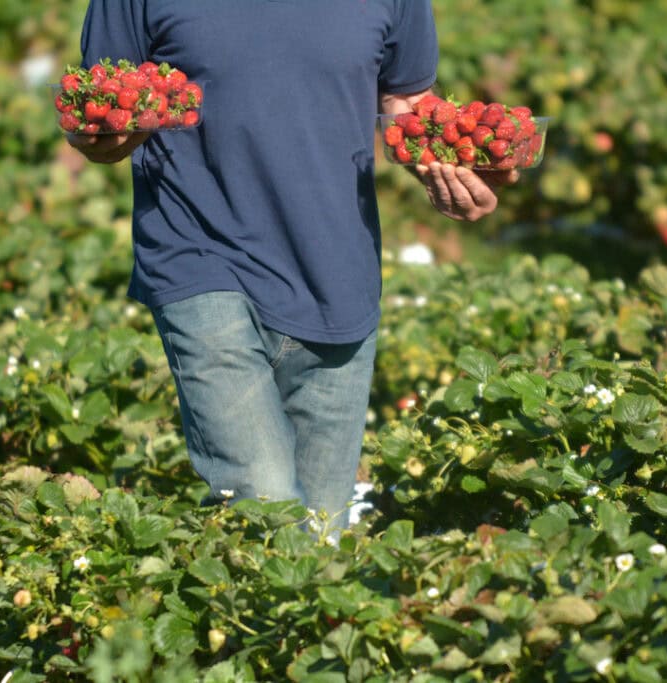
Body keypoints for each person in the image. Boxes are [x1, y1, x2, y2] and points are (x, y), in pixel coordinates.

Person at [66, 1, 518, 535]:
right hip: (200, 257)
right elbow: (100, 101)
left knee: (320, 537)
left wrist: (447, 161)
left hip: (337, 271)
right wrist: (102, 135)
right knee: (268, 509)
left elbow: (405, 96)